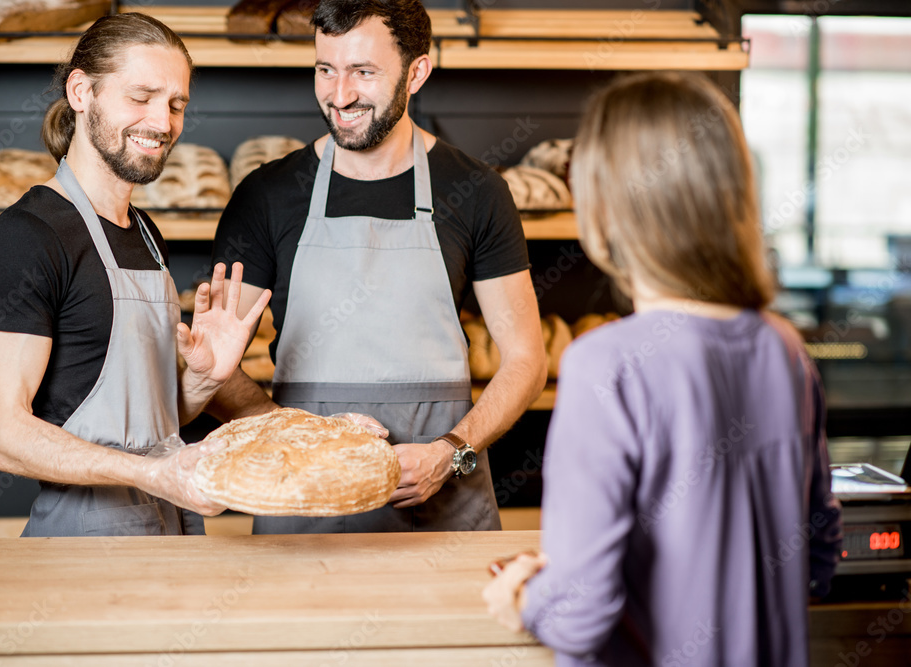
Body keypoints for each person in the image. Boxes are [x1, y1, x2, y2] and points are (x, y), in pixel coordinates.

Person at [483, 72, 843, 666]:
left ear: (605, 208)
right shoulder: (785, 349)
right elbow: (816, 556)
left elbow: (579, 612)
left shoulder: (606, 364)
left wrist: (523, 596)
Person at [210, 0, 547, 534]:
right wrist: (294, 436)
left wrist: (451, 451)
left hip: (441, 500)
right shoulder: (268, 195)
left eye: (363, 72)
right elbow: (212, 365)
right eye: (326, 70)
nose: (339, 96)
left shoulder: (477, 192)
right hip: (305, 498)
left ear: (417, 72)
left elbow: (527, 360)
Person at [0, 12, 270, 537]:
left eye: (176, 104)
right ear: (81, 92)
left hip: (168, 524)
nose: (162, 121)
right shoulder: (25, 238)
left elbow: (150, 419)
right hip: (83, 540)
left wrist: (202, 380)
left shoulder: (146, 233)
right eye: (141, 96)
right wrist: (153, 474)